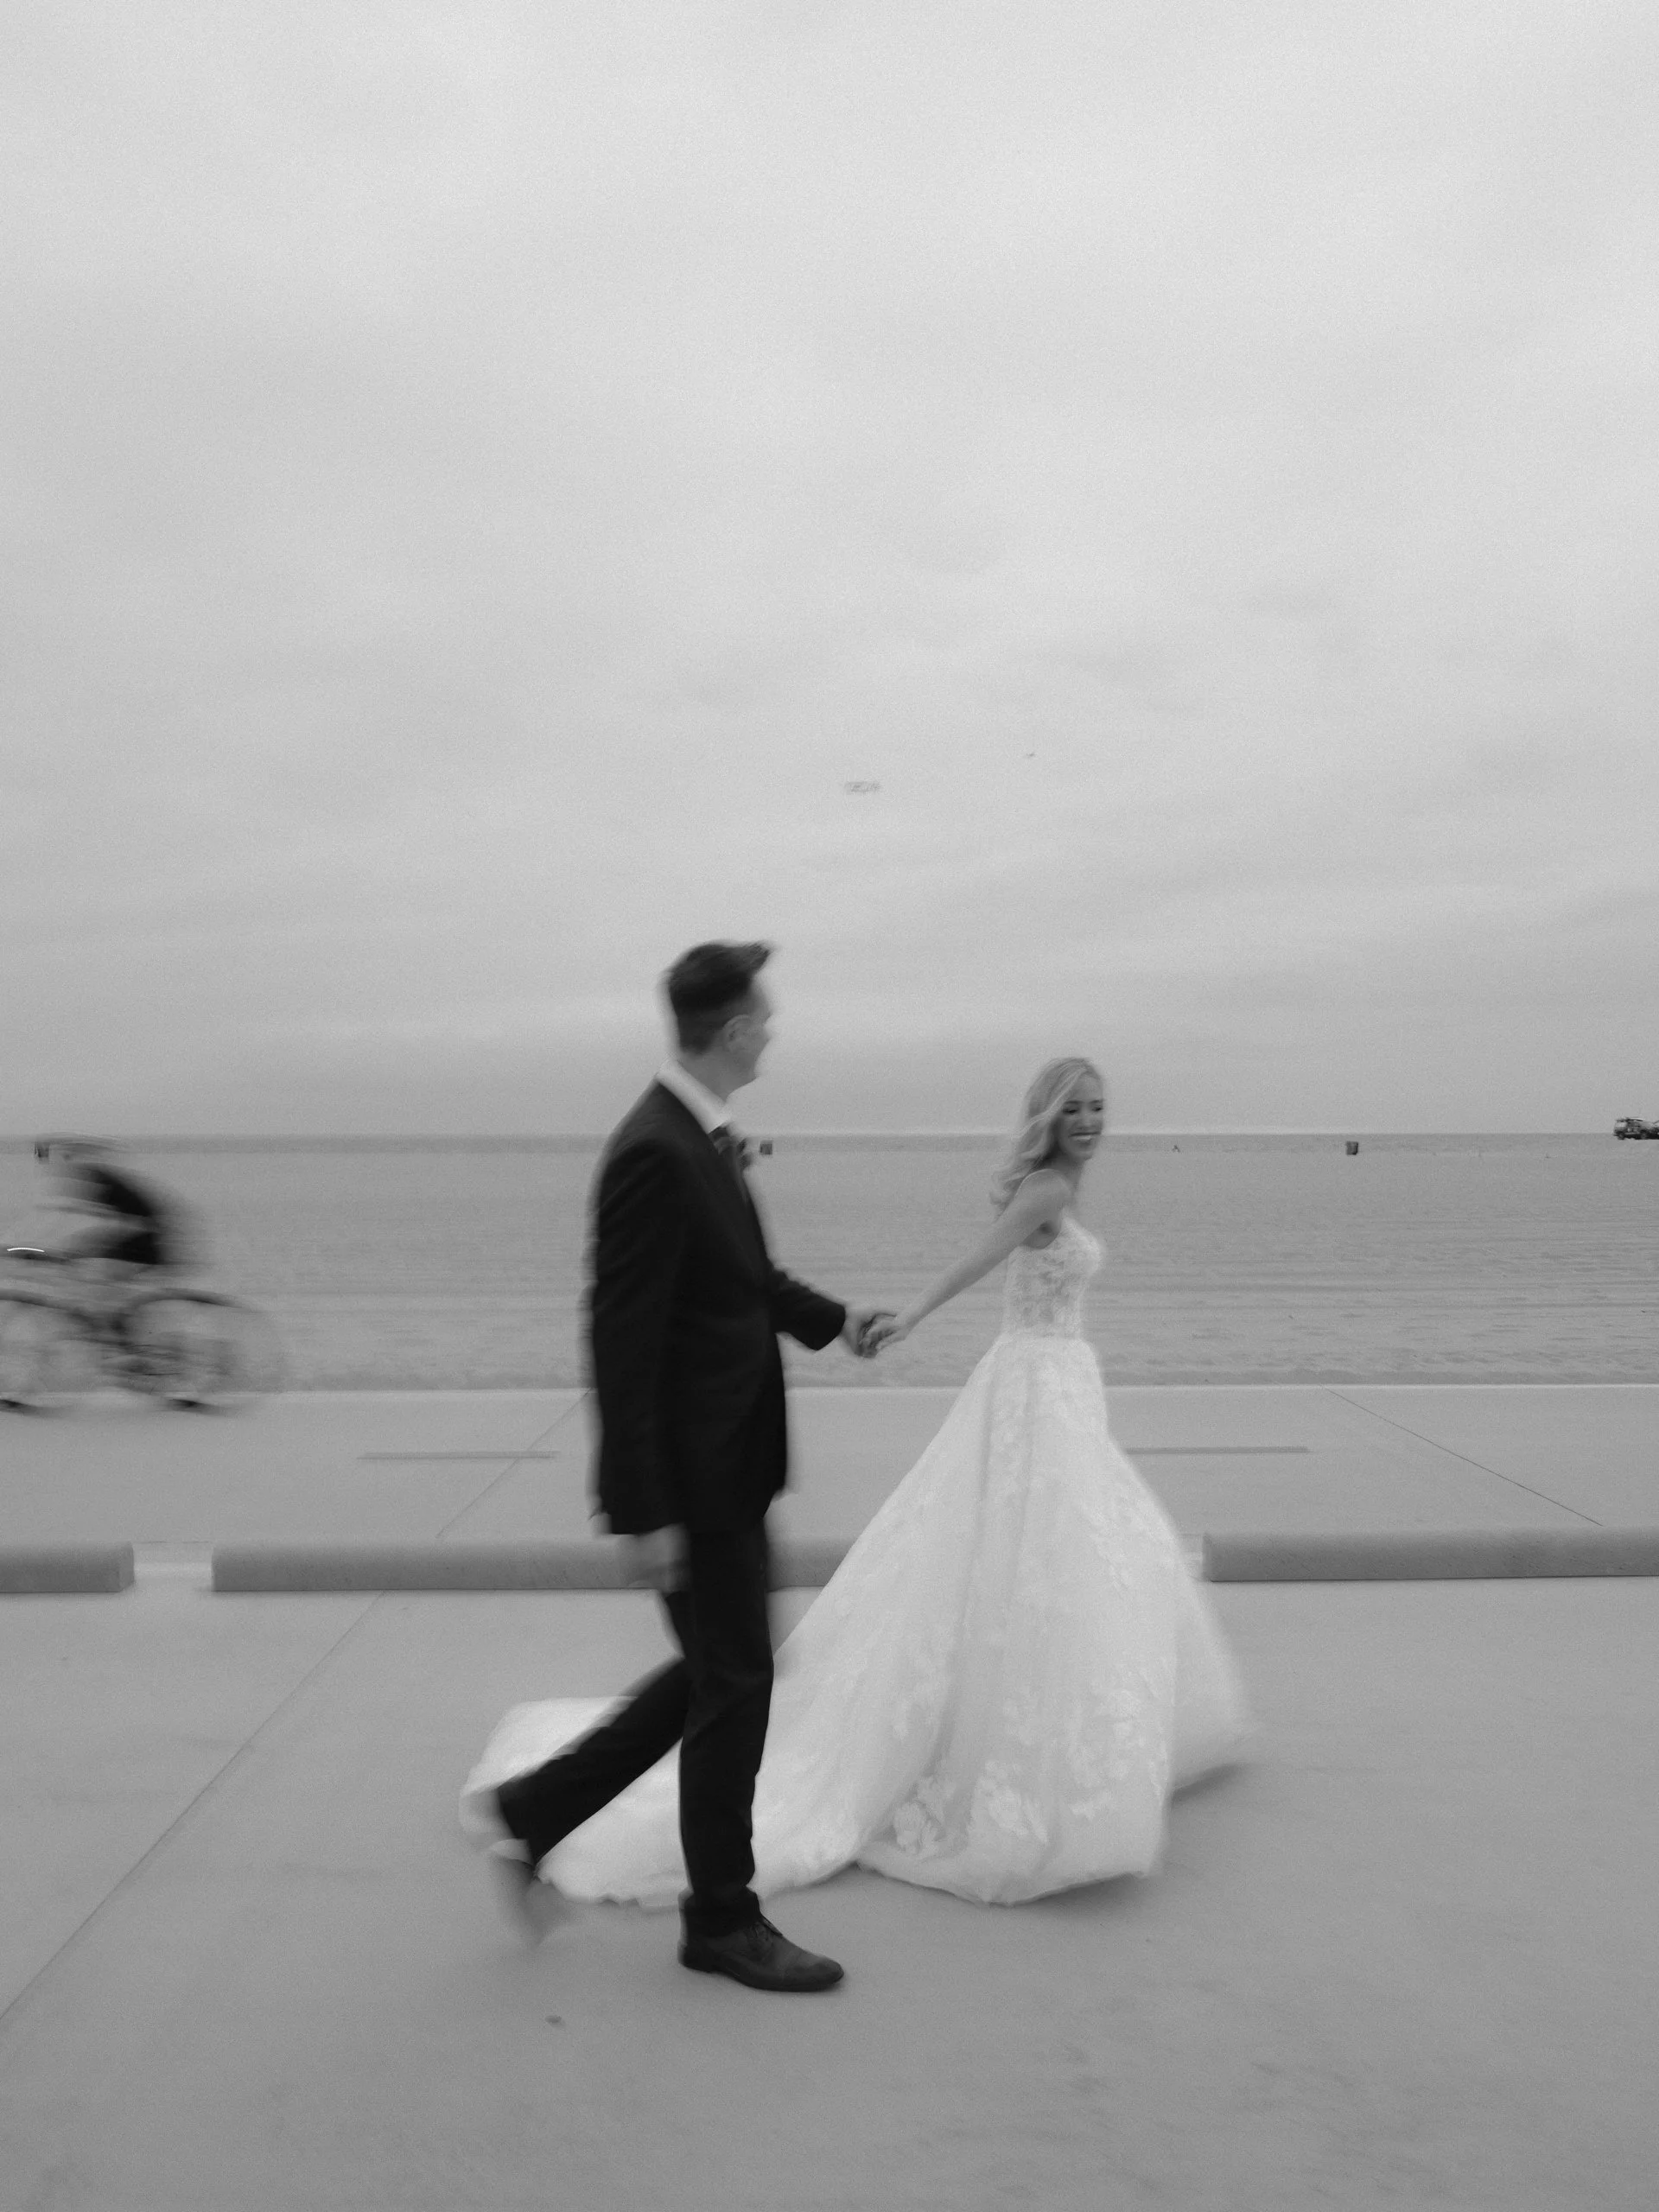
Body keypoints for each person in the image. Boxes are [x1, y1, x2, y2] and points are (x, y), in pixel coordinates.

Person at [463, 1054, 1250, 1915]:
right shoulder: (1047, 1194)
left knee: (1067, 1555)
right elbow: (973, 1264)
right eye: (1077, 1109)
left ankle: (560, 1817)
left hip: (1054, 1386)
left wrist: (853, 1323)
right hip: (1021, 1391)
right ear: (1049, 1117)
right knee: (1041, 1558)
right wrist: (902, 1317)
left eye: (1101, 1107)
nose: (1093, 1121)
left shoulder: (1058, 1184)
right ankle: (699, 1885)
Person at [465, 942, 890, 1993]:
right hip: (695, 1483)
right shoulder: (654, 1150)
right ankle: (722, 1920)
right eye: (766, 1018)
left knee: (725, 1670)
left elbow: (745, 1283)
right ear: (735, 1029)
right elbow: (622, 1334)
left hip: (730, 1465)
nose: (774, 1033)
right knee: (736, 1679)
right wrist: (642, 1507)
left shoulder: (701, 1139)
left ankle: (535, 1811)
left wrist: (839, 1323)